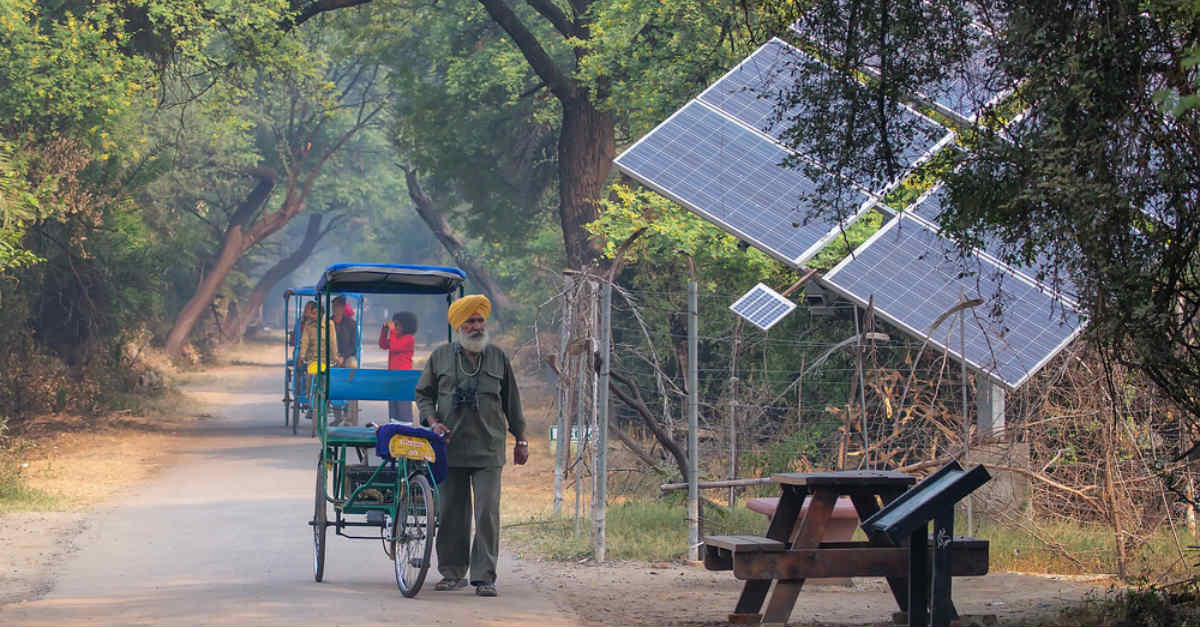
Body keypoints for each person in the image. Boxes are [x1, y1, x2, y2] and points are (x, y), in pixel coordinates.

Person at [414, 294, 527, 598]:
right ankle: (452, 572)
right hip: (449, 448)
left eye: (480, 321)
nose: (476, 326)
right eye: (470, 321)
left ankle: (484, 577)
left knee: (487, 511)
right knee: (452, 512)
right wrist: (432, 421)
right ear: (458, 326)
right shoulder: (440, 357)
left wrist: (522, 438)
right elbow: (423, 394)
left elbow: (512, 402)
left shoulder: (498, 357)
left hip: (489, 448)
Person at [297, 301, 339, 408]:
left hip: (327, 360)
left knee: (327, 379)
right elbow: (304, 341)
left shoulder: (330, 325)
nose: (313, 316)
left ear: (321, 314)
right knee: (310, 375)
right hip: (313, 359)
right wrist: (301, 356)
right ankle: (309, 396)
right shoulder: (308, 325)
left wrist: (335, 358)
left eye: (315, 313)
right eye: (312, 313)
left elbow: (333, 342)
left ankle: (327, 399)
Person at [379, 311, 417, 424]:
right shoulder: (395, 337)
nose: (395, 327)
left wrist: (392, 331)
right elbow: (383, 344)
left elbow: (395, 347)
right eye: (394, 325)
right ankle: (394, 425)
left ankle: (406, 426)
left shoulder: (409, 338)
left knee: (403, 404)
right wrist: (384, 330)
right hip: (392, 376)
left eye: (397, 325)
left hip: (403, 377)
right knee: (393, 404)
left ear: (406, 326)